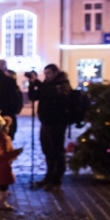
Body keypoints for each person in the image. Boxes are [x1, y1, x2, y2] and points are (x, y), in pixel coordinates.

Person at [27, 63, 72, 191]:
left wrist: (39, 83)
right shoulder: (46, 84)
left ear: (56, 73)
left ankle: (56, 180)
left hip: (57, 122)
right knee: (47, 150)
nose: (46, 76)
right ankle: (48, 177)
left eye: (49, 73)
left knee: (56, 151)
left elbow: (55, 95)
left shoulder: (62, 84)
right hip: (45, 122)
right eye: (45, 74)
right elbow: (33, 97)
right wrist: (32, 83)